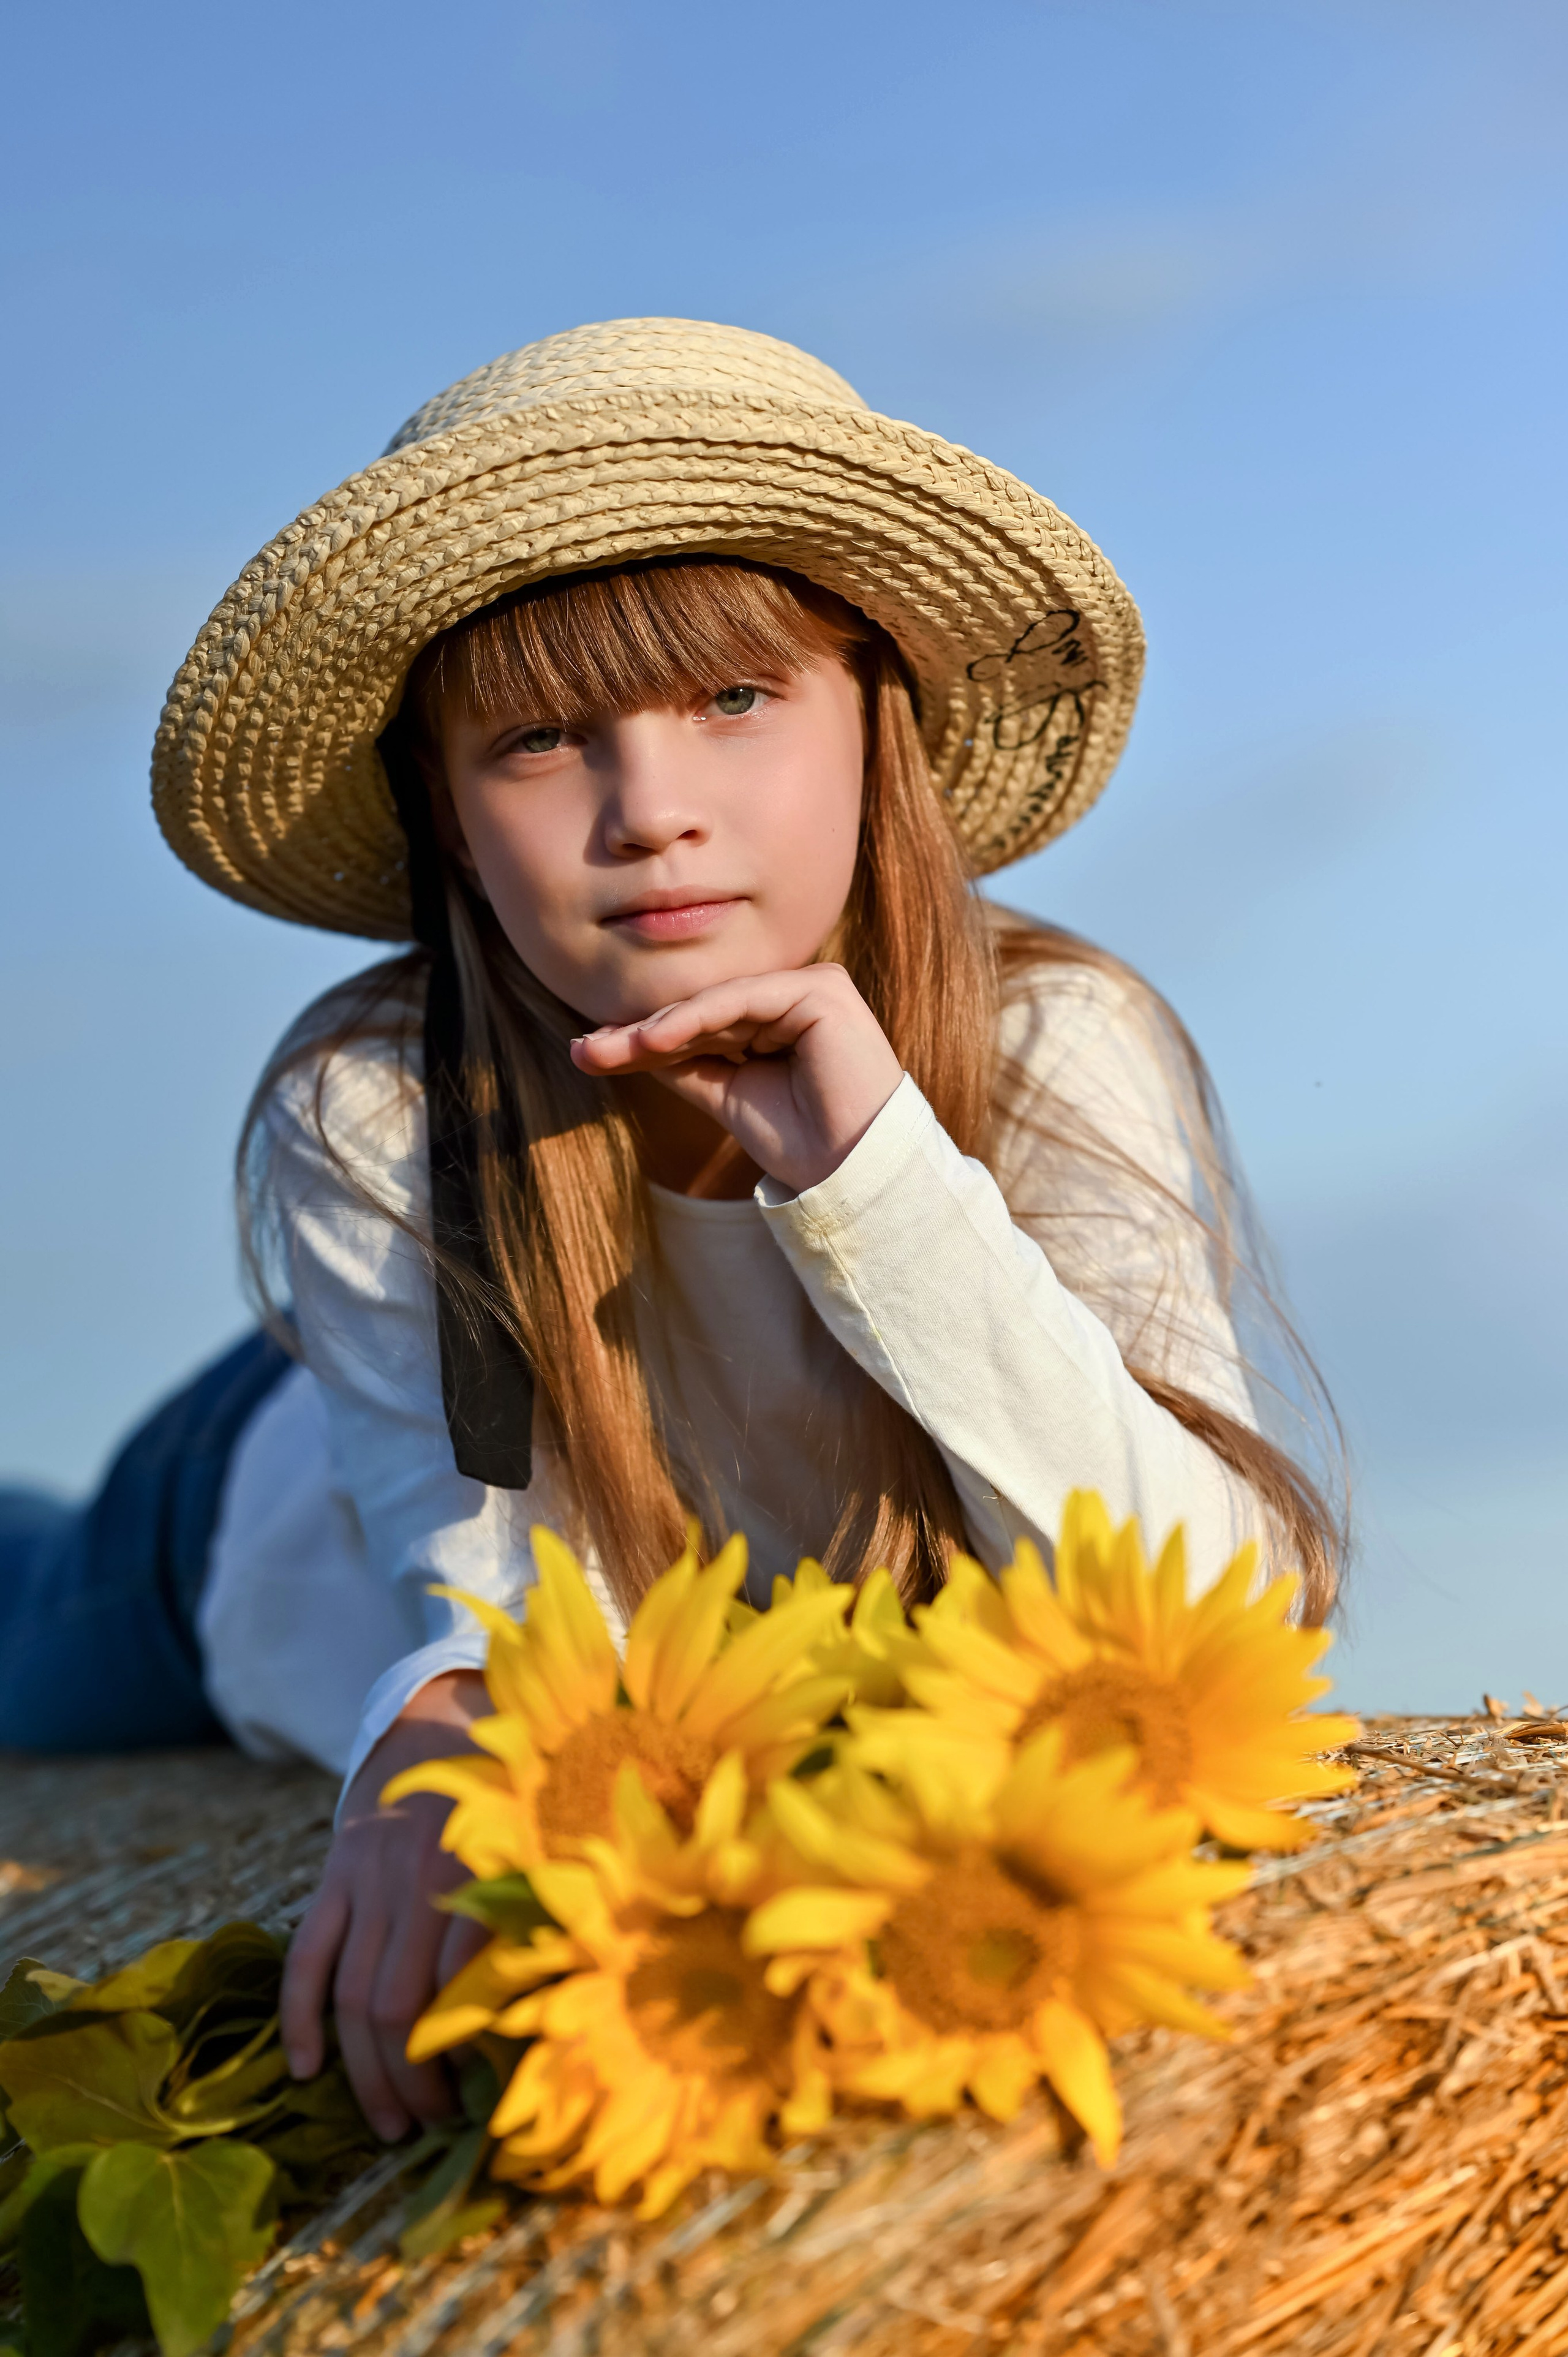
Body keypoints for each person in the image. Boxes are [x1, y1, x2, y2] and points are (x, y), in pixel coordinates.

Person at [0, 317, 1341, 2143]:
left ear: (878, 726)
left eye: (734, 699)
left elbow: (1222, 1614)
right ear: (450, 828)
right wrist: (429, 1736)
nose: (655, 813)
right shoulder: (381, 1105)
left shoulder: (1048, 1049)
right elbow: (498, 1613)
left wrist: (875, 1176)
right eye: (540, 741)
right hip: (246, 1526)